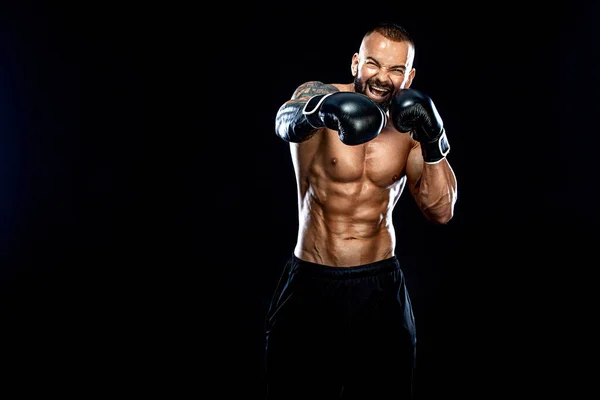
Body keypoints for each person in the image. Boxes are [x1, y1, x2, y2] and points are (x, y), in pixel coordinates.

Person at [264, 22, 458, 399]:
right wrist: (320, 112)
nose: (382, 78)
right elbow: (284, 122)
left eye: (396, 70)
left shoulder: (412, 127)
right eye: (373, 64)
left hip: (380, 288)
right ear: (356, 62)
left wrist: (435, 141)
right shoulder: (317, 96)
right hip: (311, 282)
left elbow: (441, 211)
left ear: (410, 75)